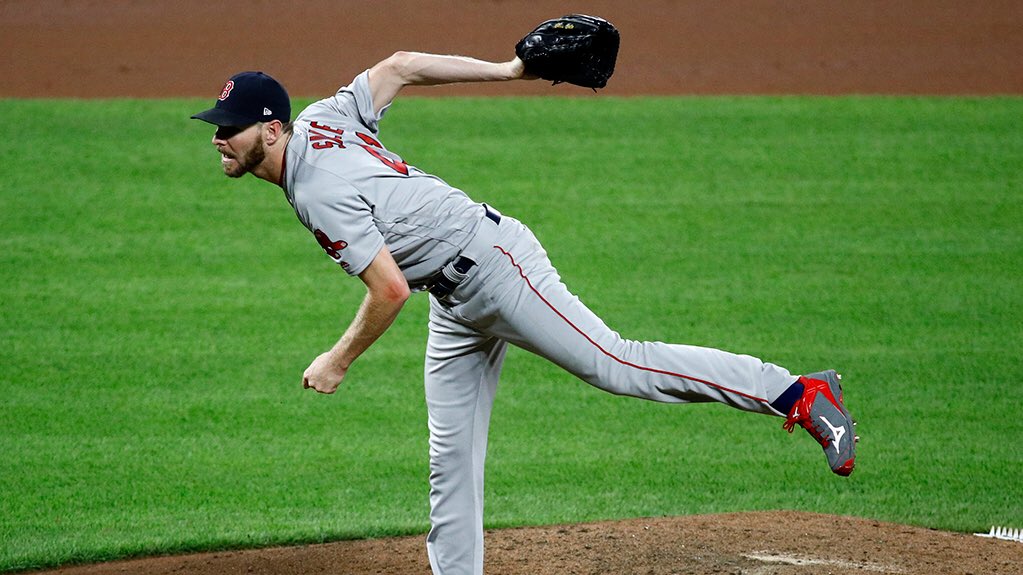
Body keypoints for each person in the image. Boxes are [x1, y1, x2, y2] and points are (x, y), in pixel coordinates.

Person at [191, 50, 857, 575]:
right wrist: (508, 71)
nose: (219, 138)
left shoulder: (317, 189)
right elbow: (399, 66)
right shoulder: (322, 119)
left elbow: (388, 290)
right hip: (454, 297)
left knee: (618, 364)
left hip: (495, 266)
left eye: (230, 128)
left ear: (271, 130)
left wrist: (337, 361)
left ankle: (798, 392)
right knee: (451, 454)